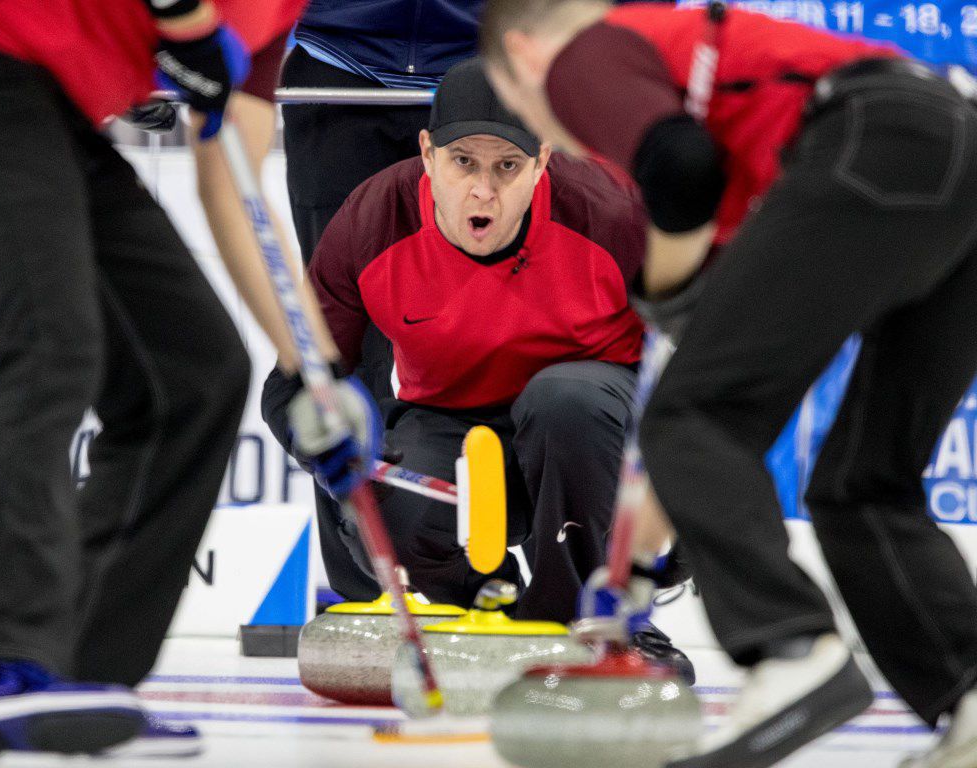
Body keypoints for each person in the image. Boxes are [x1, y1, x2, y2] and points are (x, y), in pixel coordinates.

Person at [480, 2, 977, 767]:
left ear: (522, 55)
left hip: (877, 135)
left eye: (517, 107)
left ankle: (789, 651)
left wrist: (667, 288)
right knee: (864, 484)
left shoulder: (585, 53)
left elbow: (680, 171)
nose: (552, 129)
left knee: (694, 420)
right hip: (952, 148)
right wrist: (639, 559)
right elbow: (697, 374)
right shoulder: (740, 125)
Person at [0, 0, 309, 760]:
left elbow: (233, 183)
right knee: (50, 348)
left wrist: (314, 370)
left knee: (196, 372)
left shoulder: (284, 13)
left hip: (58, 109)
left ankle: (80, 672)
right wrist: (186, 22)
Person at [262, 59, 692, 680]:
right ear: (428, 154)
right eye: (464, 162)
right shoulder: (371, 219)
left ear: (543, 162)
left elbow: (702, 367)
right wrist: (339, 457)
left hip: (585, 431)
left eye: (507, 167)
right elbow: (298, 382)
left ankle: (594, 619)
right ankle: (491, 609)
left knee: (564, 399)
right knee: (384, 490)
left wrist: (679, 531)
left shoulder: (611, 213)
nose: (483, 191)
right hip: (456, 436)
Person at [282, 0, 485, 601]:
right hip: (336, 67)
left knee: (494, 336)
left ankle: (487, 581)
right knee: (338, 349)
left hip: (485, 76)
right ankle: (362, 592)